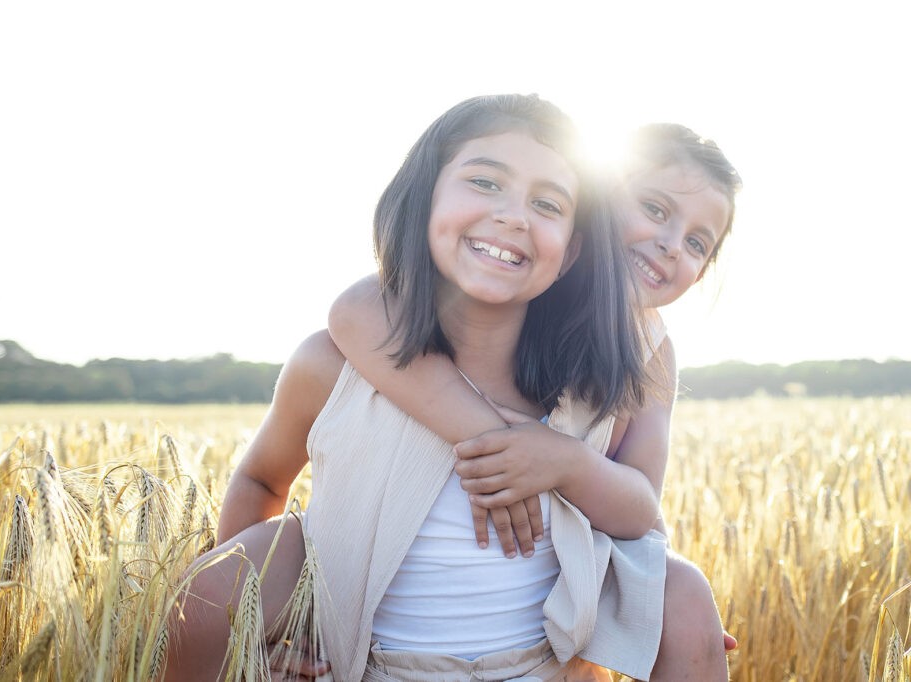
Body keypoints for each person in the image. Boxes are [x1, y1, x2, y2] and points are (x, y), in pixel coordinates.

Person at [164, 93, 652, 681]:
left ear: (570, 250)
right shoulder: (334, 369)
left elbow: (637, 518)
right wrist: (261, 628)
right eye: (485, 182)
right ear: (424, 199)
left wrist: (566, 462)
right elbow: (262, 478)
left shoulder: (583, 400)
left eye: (548, 203)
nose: (515, 216)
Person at [327, 122, 743, 680]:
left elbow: (640, 507)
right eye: (655, 208)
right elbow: (357, 308)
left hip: (544, 622)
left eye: (697, 243)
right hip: (407, 632)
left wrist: (563, 462)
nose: (671, 244)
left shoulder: (651, 350)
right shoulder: (522, 285)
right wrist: (490, 436)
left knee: (687, 592)